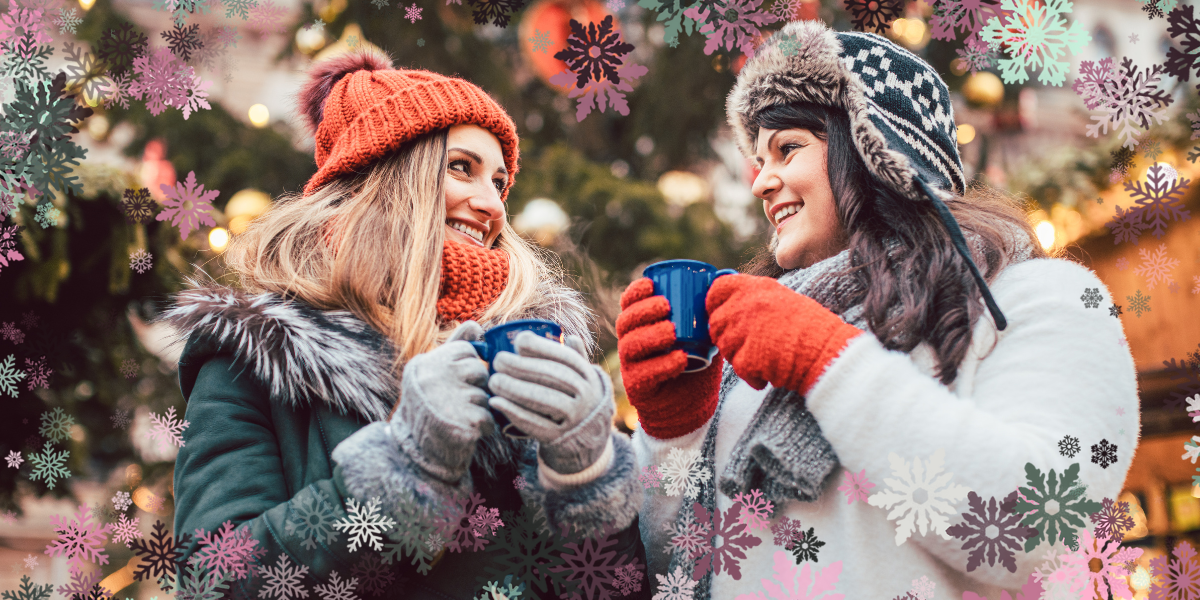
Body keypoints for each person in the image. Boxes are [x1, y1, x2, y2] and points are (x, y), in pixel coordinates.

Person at [617, 19, 1138, 599]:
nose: (762, 181)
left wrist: (828, 362)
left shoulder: (1038, 298)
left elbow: (1037, 530)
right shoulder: (753, 353)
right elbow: (678, 573)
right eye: (757, 160)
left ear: (875, 150)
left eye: (788, 148)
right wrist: (675, 434)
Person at [162, 50, 649, 599]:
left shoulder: (530, 352)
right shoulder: (259, 357)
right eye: (461, 167)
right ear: (386, 179)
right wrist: (404, 468)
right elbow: (214, 580)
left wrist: (585, 477)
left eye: (500, 180)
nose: (492, 204)